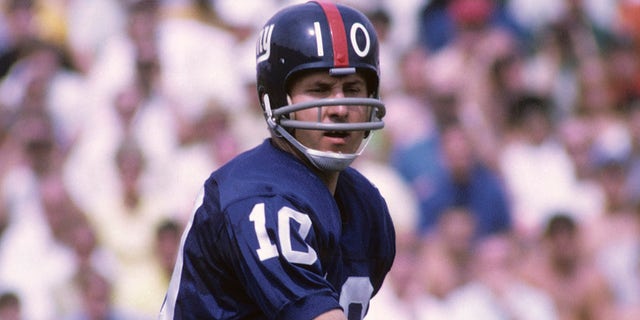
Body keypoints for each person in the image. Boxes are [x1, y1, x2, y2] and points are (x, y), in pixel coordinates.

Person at [159, 1, 395, 320]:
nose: (340, 108)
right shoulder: (256, 198)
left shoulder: (366, 206)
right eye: (320, 90)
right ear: (275, 97)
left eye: (352, 88)